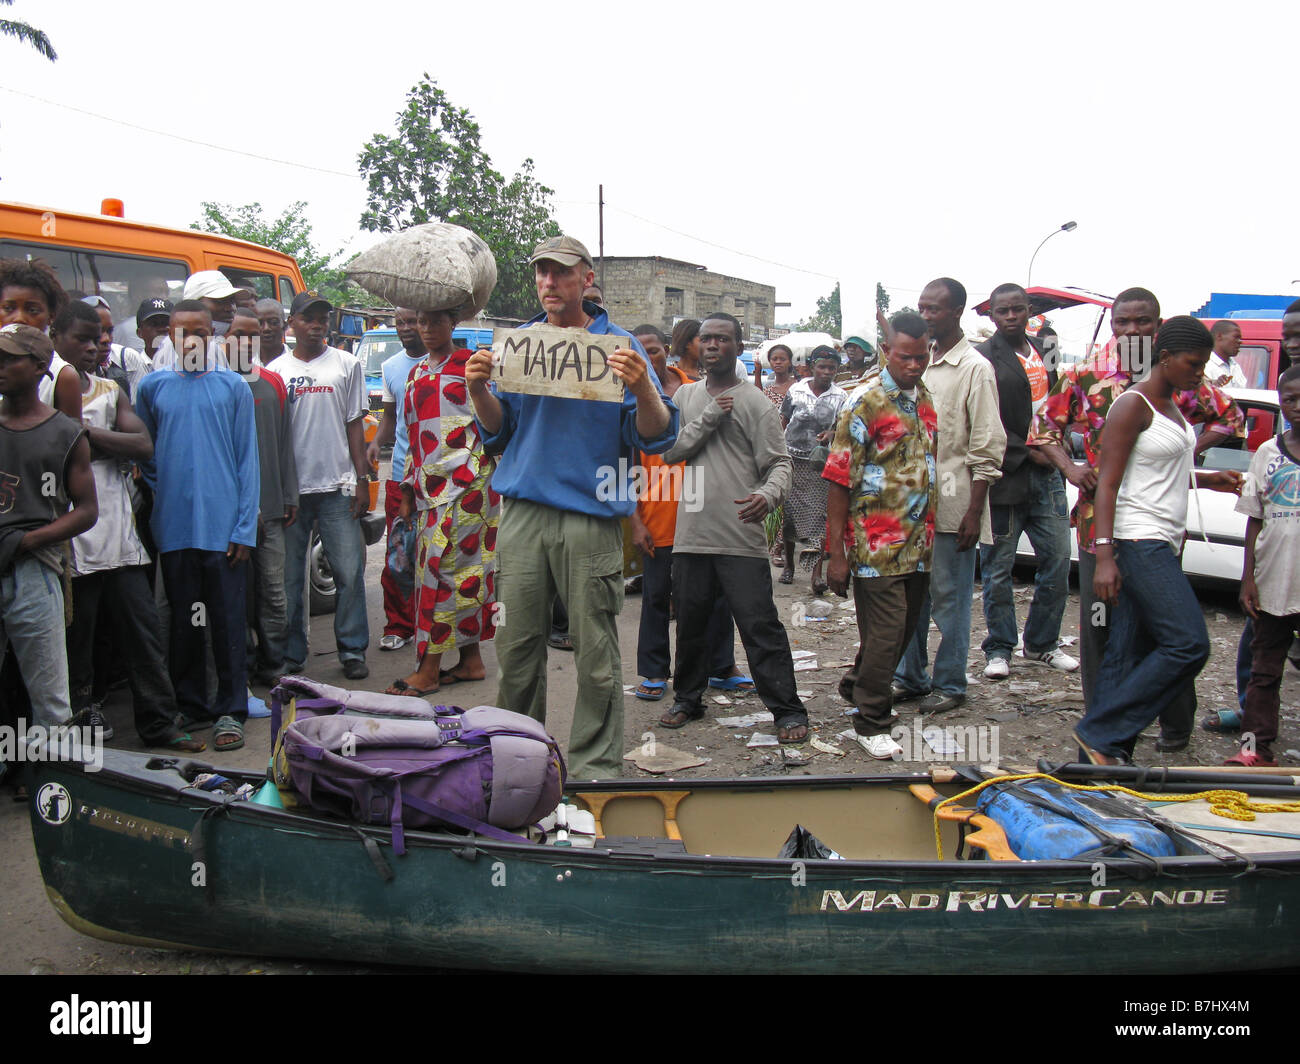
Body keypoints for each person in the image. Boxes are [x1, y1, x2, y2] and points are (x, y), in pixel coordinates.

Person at [465, 234, 676, 778]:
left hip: (592, 515)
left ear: (587, 279)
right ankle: (516, 760)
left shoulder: (619, 347)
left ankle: (594, 771)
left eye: (560, 272)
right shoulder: (521, 346)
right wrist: (479, 391)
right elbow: (499, 432)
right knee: (515, 647)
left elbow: (655, 438)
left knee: (596, 654)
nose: (548, 282)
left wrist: (645, 391)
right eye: (541, 272)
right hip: (524, 515)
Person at [1030, 287, 1245, 750]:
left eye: (1142, 322)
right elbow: (1042, 428)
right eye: (1122, 322)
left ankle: (1174, 728)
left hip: (1158, 529)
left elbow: (1231, 419)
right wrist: (1073, 468)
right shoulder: (1088, 375)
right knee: (1103, 626)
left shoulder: (1182, 375)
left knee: (1162, 626)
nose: (1131, 330)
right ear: (1112, 325)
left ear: (1158, 325)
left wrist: (1188, 461)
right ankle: (1105, 727)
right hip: (1099, 528)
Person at [53, 303, 204, 752]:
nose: (96, 345)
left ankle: (160, 724)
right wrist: (88, 440)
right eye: (83, 337)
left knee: (143, 636)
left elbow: (141, 444)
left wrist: (79, 435)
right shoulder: (41, 391)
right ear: (56, 336)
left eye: (99, 336)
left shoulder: (108, 388)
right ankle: (75, 743)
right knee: (77, 648)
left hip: (120, 540)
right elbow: (51, 450)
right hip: (70, 545)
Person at [657, 312, 807, 742]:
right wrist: (707, 417)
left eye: (723, 339)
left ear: (738, 349)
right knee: (690, 624)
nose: (713, 346)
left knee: (760, 625)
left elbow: (780, 462)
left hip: (740, 535)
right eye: (706, 338)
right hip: (692, 534)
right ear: (696, 346)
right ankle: (687, 699)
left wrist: (768, 494)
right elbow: (671, 453)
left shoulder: (755, 402)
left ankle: (787, 710)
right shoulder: (685, 397)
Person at [136, 302, 258, 752]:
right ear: (168, 335)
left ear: (214, 336)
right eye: (183, 332)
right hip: (174, 528)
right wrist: (162, 486)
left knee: (227, 622)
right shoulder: (152, 388)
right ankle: (191, 703)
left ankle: (231, 708)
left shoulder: (232, 388)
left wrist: (243, 527)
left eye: (202, 332)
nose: (192, 340)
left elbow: (248, 462)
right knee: (185, 623)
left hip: (224, 529)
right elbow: (145, 452)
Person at [894, 278, 1005, 713]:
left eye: (934, 309)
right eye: (921, 308)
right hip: (910, 508)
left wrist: (974, 512)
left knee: (950, 600)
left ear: (956, 311)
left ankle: (951, 683)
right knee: (911, 598)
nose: (925, 316)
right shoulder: (917, 365)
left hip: (954, 507)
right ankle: (912, 677)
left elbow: (986, 445)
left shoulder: (974, 369)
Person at [824, 312, 937, 737]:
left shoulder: (923, 397)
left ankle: (858, 684)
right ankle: (872, 720)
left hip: (918, 544)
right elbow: (838, 480)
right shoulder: (865, 403)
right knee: (887, 634)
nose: (913, 365)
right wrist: (836, 554)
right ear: (886, 352)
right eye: (905, 357)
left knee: (903, 632)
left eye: (921, 357)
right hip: (874, 546)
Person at [628, 323, 752, 702]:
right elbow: (623, 463)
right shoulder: (627, 400)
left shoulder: (696, 389)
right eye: (640, 353)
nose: (650, 358)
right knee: (656, 595)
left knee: (713, 594)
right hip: (657, 513)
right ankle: (653, 671)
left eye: (654, 350)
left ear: (667, 349)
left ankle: (720, 666)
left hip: (703, 508)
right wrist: (634, 520)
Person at [386, 307, 498, 698]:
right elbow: (412, 434)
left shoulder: (473, 365)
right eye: (422, 321)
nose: (428, 329)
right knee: (448, 570)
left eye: (436, 321)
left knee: (446, 570)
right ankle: (471, 661)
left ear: (454, 323)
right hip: (427, 487)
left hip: (471, 482)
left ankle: (429, 670)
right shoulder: (416, 373)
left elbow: (496, 424)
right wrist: (405, 489)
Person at [267, 292, 373, 681]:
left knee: (348, 572)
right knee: (291, 579)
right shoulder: (275, 371)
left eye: (323, 318)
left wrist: (362, 479)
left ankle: (351, 649)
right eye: (309, 318)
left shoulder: (347, 364)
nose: (317, 325)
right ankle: (294, 654)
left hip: (338, 487)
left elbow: (354, 426)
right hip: (293, 493)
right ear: (291, 323)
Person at [0, 324, 97, 749]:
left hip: (33, 572)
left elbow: (87, 511)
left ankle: (54, 790)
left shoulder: (65, 433)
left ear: (39, 366)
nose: (0, 366)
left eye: (9, 359)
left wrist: (30, 541)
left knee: (51, 699)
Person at [977, 283, 1077, 681]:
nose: (1011, 316)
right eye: (1003, 311)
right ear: (992, 316)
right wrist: (1026, 450)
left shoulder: (1046, 349)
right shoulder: (983, 357)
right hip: (1006, 473)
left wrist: (1059, 441)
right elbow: (985, 419)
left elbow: (1060, 399)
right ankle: (1000, 647)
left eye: (1018, 309)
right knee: (997, 569)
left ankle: (1041, 643)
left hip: (1048, 473)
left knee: (1057, 560)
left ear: (1029, 310)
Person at [1230, 364, 1300, 766]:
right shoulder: (1268, 454)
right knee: (1264, 669)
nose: (1296, 406)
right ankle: (1256, 748)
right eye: (1288, 399)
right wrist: (1248, 580)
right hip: (1274, 579)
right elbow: (1254, 518)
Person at [227, 309, 298, 687]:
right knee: (235, 597)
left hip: (271, 509)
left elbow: (285, 443)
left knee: (274, 593)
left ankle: (275, 665)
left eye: (252, 335)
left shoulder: (272, 382)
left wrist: (290, 493)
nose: (246, 342)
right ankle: (241, 664)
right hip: (229, 515)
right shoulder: (215, 383)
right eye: (238, 334)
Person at [366, 307, 428, 652]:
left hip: (438, 477)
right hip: (400, 476)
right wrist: (376, 442)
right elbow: (390, 418)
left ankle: (434, 624)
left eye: (412, 320)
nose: (406, 328)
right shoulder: (391, 368)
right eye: (400, 322)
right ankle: (399, 625)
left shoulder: (448, 365)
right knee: (399, 557)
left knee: (437, 556)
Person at [779, 345, 847, 593]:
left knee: (819, 518)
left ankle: (815, 574)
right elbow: (783, 421)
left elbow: (845, 428)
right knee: (790, 516)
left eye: (832, 368)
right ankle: (789, 566)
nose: (827, 372)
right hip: (792, 459)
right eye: (822, 367)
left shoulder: (840, 397)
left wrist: (832, 433)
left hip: (820, 463)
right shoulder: (796, 391)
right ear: (812, 367)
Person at [0, 258, 81, 421]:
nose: (19, 318)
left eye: (32, 310)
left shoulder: (62, 375)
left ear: (51, 316)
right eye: (9, 308)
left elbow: (70, 440)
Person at [1207, 320, 1248, 390]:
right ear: (1219, 336)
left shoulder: (1235, 366)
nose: (1240, 341)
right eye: (1236, 337)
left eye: (1240, 338)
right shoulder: (1206, 366)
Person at [256, 298, 288, 364]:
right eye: (259, 323)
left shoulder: (296, 363)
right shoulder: (244, 362)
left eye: (273, 322)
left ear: (284, 326)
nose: (266, 328)